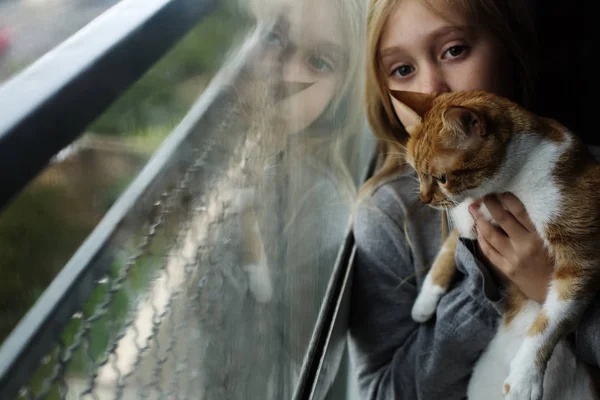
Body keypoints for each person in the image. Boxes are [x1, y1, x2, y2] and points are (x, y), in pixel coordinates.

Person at [347, 0, 600, 398]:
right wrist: (487, 283)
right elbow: (379, 392)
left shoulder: (584, 172)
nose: (432, 89)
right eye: (402, 70)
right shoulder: (390, 215)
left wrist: (546, 284)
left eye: (454, 51)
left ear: (509, 47)